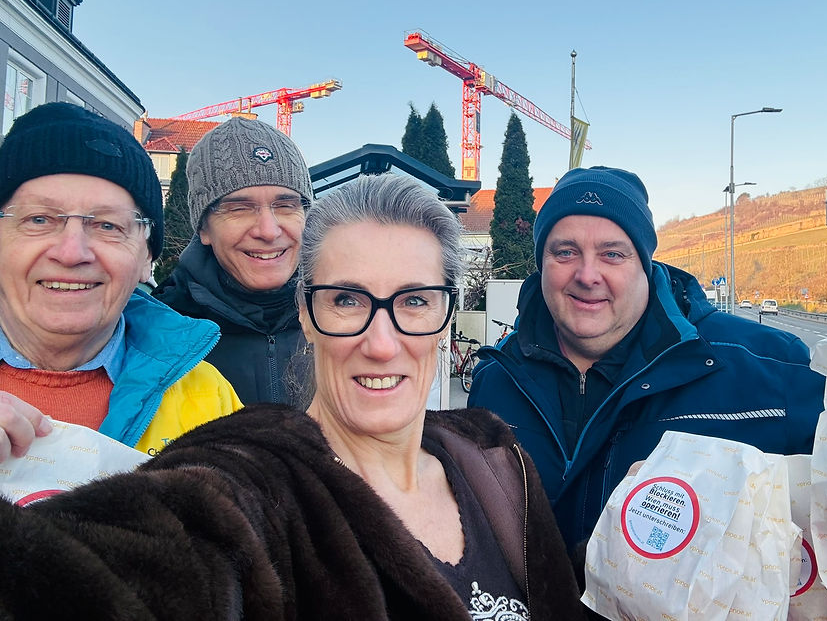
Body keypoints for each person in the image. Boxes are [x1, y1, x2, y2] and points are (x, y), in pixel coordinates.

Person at [0, 174, 585, 620]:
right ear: (305, 312)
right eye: (347, 301)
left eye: (414, 301)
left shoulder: (495, 461)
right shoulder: (251, 485)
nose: (382, 344)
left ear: (446, 315)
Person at [468, 165, 827, 554]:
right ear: (541, 264)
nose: (587, 274)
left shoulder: (764, 364)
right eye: (564, 252)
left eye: (612, 253)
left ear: (645, 264)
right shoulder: (496, 382)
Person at [0, 102, 241, 462]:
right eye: (39, 219)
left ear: (146, 259)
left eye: (108, 225)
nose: (72, 252)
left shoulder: (208, 398)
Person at [154, 116, 313, 404]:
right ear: (204, 229)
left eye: (286, 206)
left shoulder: (344, 319)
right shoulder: (158, 336)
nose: (268, 231)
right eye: (239, 208)